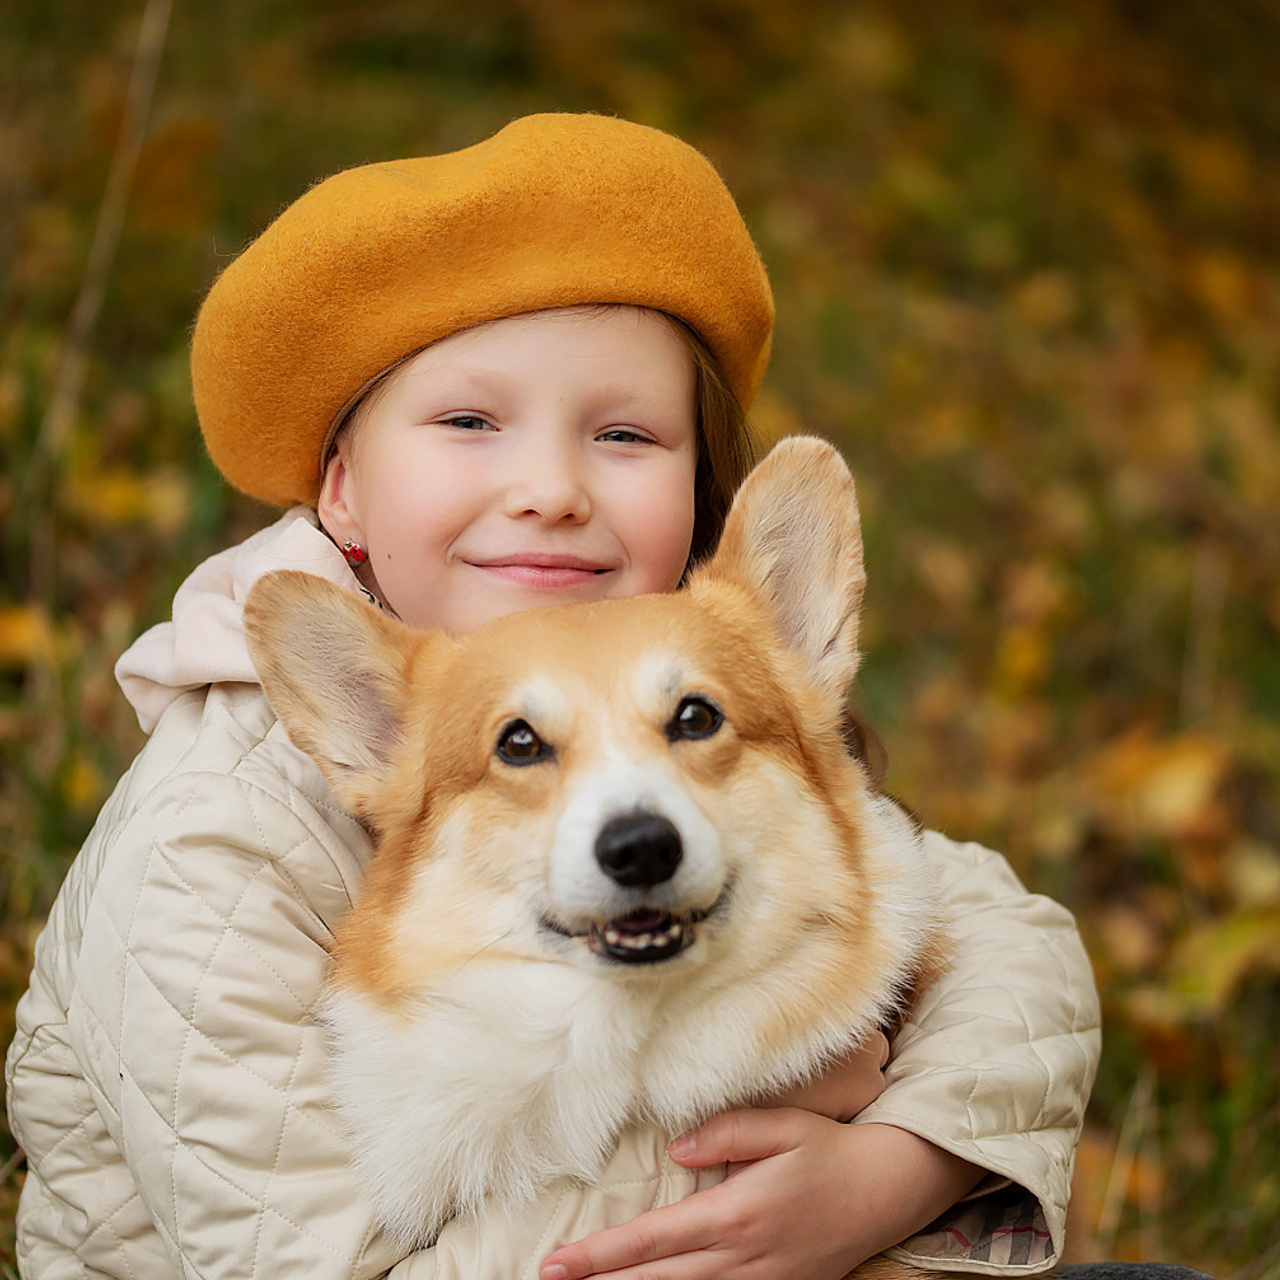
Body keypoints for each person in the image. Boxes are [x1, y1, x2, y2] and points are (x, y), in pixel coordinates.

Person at [6, 113, 1101, 1280]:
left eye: (621, 432)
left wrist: (893, 1166)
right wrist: (772, 1135)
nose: (549, 488)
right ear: (343, 488)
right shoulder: (209, 839)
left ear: (693, 478)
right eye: (469, 421)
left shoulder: (710, 650)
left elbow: (1014, 942)